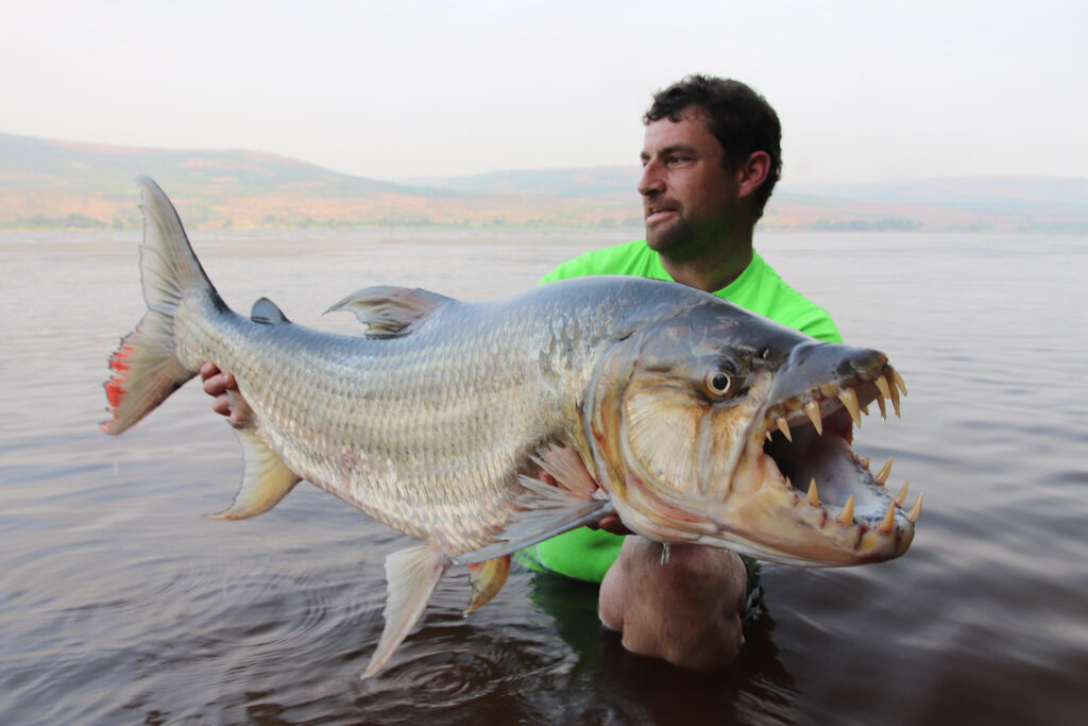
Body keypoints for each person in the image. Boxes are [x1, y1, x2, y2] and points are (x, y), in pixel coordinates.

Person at [201, 75, 841, 671]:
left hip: (689, 596)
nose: (647, 183)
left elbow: (800, 491)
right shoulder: (581, 288)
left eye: (675, 159)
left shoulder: (799, 339)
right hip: (545, 582)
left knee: (682, 571)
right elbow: (448, 429)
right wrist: (267, 404)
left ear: (748, 173)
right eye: (644, 162)